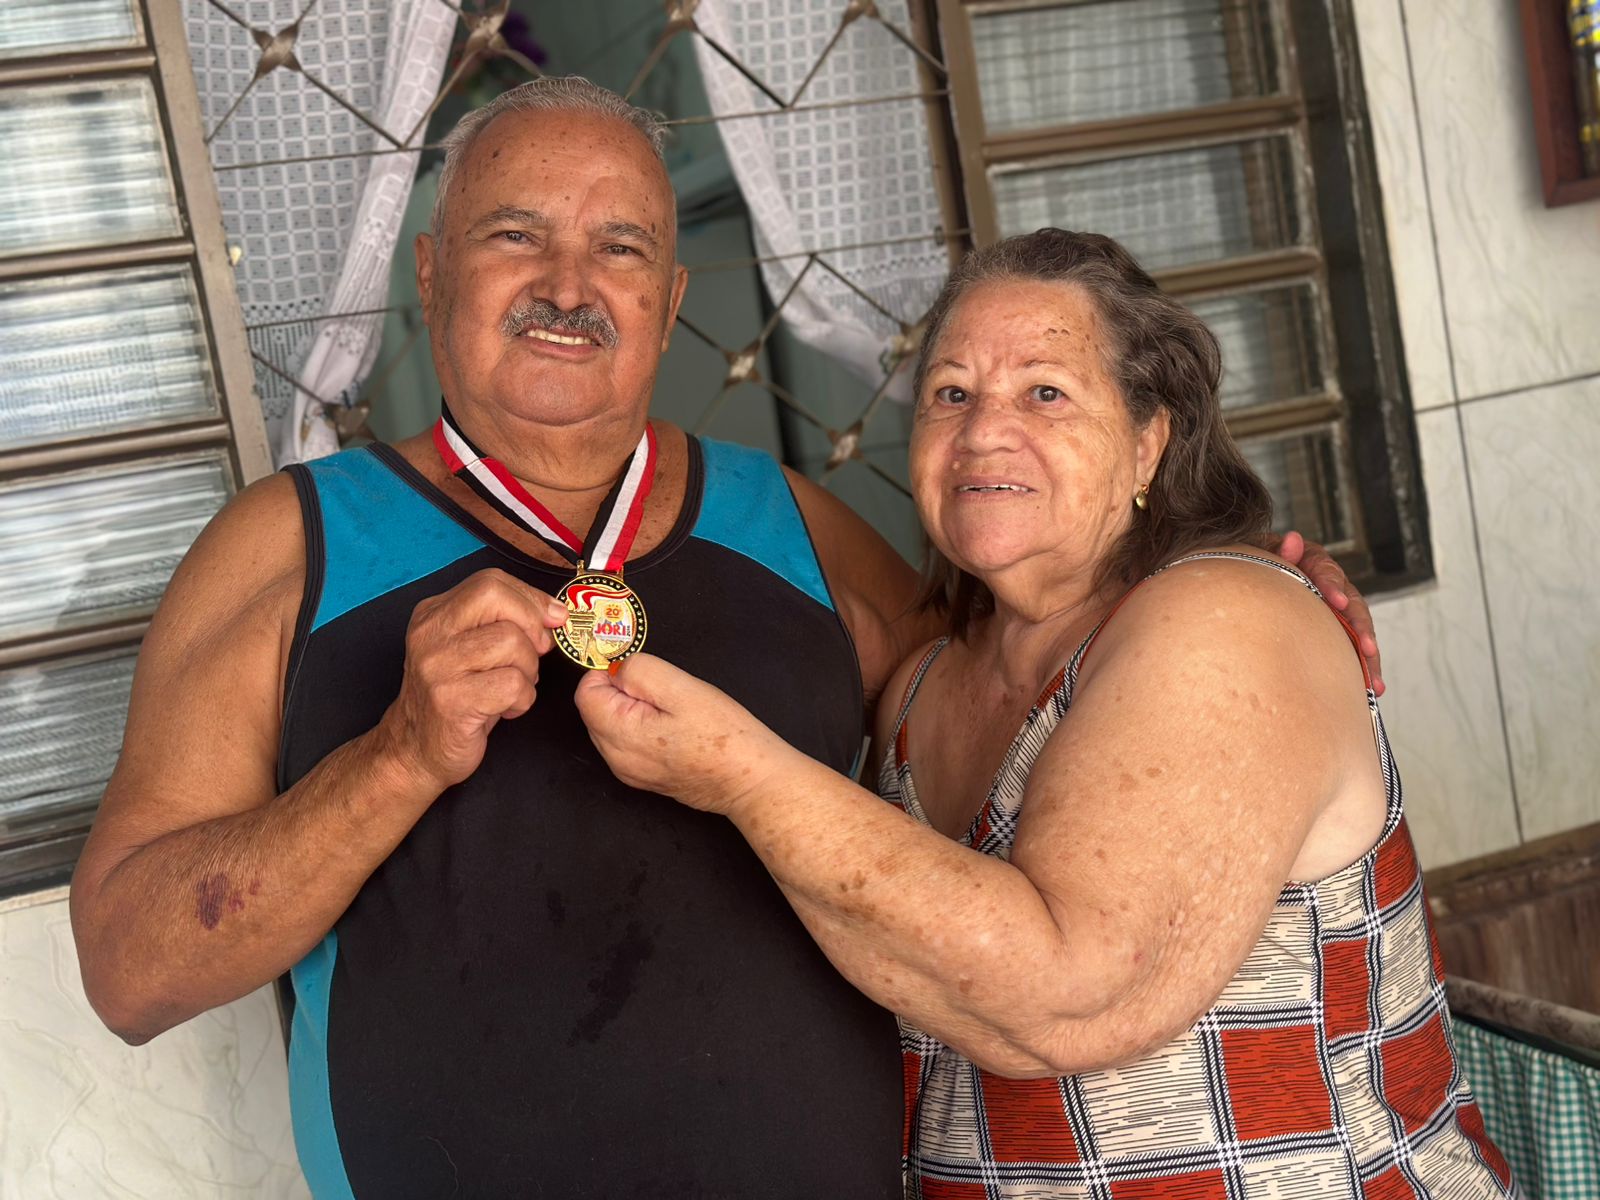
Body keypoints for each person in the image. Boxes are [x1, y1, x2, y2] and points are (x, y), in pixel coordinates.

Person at [69, 75, 1374, 1195]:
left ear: (672, 292)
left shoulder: (789, 521)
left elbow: (1028, 690)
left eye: (622, 248)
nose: (569, 285)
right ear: (429, 267)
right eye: (515, 237)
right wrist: (398, 753)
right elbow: (131, 971)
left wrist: (1231, 591)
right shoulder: (291, 546)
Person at [575, 230, 1515, 1197]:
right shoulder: (921, 683)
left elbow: (1068, 997)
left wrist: (739, 772)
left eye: (1045, 392)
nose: (985, 430)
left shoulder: (1225, 621)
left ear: (1151, 440)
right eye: (951, 394)